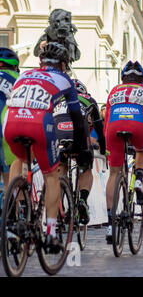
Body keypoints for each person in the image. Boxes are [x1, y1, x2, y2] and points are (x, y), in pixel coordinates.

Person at [4, 42, 85, 252]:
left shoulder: (23, 75)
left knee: (20, 161)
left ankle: (17, 215)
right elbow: (76, 117)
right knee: (51, 175)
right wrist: (80, 145)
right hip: (38, 124)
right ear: (64, 64)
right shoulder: (65, 79)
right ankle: (50, 234)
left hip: (11, 123)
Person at [104, 60, 143, 243]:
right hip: (138, 126)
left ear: (123, 78)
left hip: (113, 129)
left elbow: (106, 120)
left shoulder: (114, 91)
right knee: (142, 149)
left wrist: (106, 144)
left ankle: (110, 223)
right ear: (142, 79)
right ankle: (138, 179)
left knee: (114, 173)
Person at [53, 78, 106, 224]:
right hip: (79, 135)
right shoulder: (89, 99)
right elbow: (99, 129)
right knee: (86, 168)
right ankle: (82, 200)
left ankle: (58, 206)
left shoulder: (57, 99)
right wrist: (103, 147)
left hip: (58, 134)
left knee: (60, 168)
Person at [0, 47, 20, 188]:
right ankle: (12, 204)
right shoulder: (19, 80)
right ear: (15, 67)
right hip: (6, 131)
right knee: (11, 180)